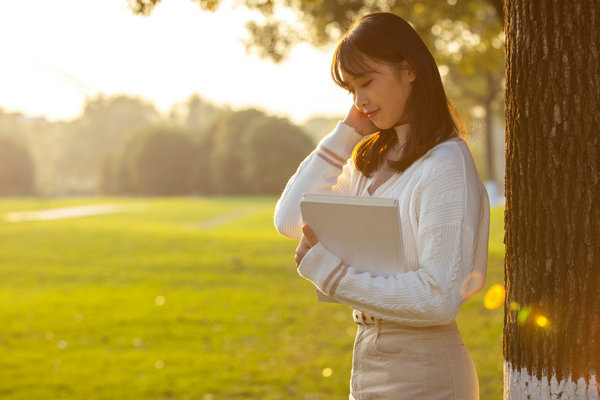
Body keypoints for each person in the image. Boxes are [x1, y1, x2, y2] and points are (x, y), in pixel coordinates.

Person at [273, 11, 490, 400]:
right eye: (351, 90)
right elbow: (290, 219)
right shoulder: (368, 161)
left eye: (367, 82)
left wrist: (332, 275)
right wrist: (347, 132)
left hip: (427, 374)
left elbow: (439, 298)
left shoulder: (445, 165)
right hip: (369, 358)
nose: (360, 100)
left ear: (409, 70)